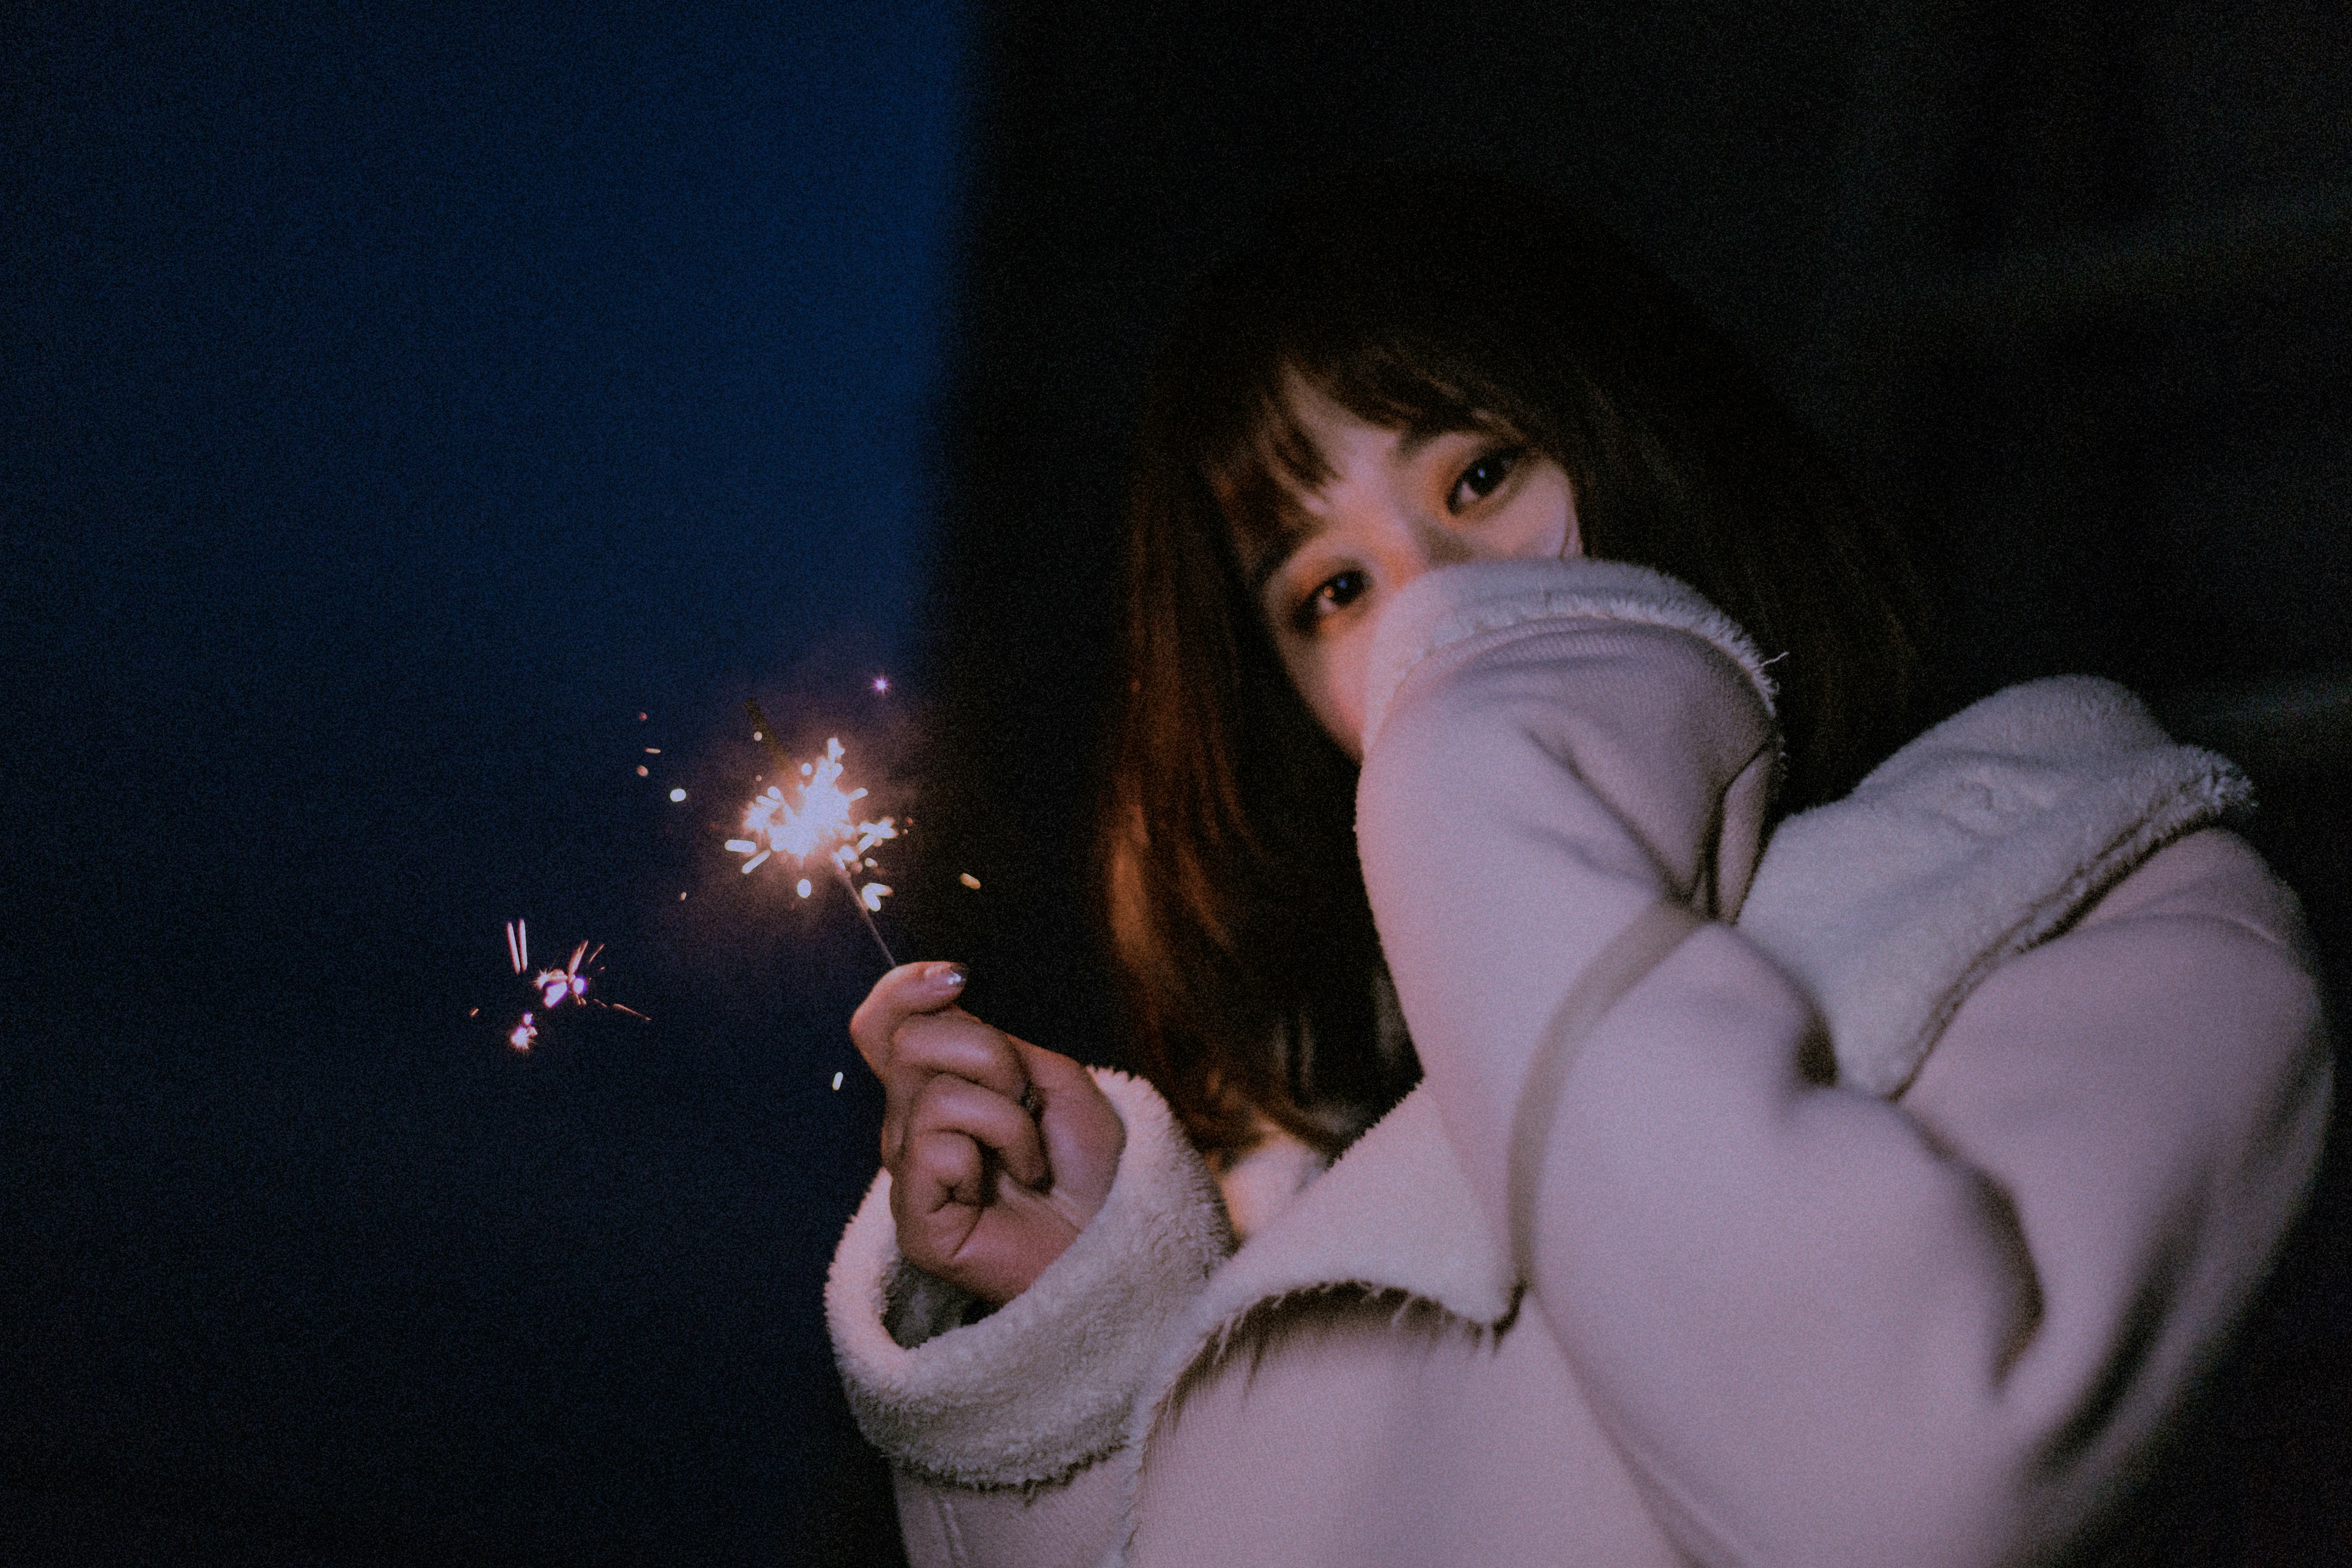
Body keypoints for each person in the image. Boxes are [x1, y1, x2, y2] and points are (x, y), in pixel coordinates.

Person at [823, 173, 2332, 1567]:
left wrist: (1485, 757)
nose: (1434, 610)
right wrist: (1088, 1342)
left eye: (1480, 477)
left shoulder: (2136, 904)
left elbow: (1888, 1487)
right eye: (1334, 590)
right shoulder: (1303, 1178)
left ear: (1643, 442)